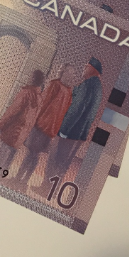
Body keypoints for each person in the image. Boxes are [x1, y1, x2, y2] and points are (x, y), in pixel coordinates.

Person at [13, 64, 77, 189]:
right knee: (35, 154)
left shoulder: (55, 85)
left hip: (41, 126)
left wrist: (33, 120)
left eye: (71, 73)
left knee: (30, 153)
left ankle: (18, 179)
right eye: (70, 72)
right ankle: (24, 180)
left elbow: (43, 103)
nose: (71, 75)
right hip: (50, 130)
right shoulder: (69, 92)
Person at [42, 57, 104, 185]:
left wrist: (63, 130)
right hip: (80, 134)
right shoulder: (98, 88)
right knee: (64, 162)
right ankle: (52, 188)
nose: (83, 69)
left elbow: (77, 108)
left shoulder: (87, 84)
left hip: (69, 132)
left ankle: (45, 187)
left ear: (92, 69)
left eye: (86, 66)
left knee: (55, 158)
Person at [0, 70, 45, 169]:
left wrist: (2, 124)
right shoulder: (39, 98)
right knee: (8, 159)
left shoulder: (26, 93)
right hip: (21, 134)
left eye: (30, 76)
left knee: (0, 154)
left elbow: (13, 111)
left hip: (11, 129)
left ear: (33, 79)